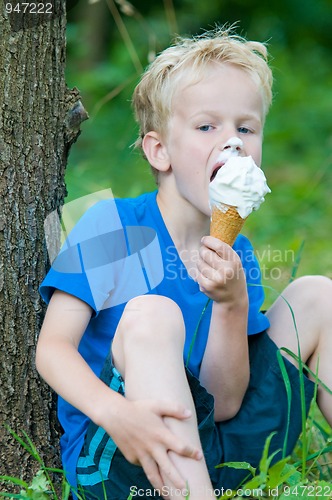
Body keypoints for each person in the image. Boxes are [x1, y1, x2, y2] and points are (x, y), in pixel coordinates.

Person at [36, 26, 332, 500]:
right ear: (159, 150)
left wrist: (233, 305)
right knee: (154, 312)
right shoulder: (111, 222)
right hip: (126, 447)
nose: (232, 142)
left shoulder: (240, 254)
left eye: (246, 127)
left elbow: (225, 402)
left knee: (320, 294)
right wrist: (116, 413)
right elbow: (51, 350)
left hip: (219, 451)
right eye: (206, 126)